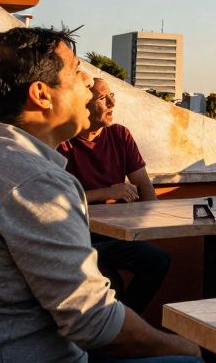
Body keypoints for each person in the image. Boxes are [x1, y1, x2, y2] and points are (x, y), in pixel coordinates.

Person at [0, 27, 200, 362]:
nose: (90, 84)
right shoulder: (32, 180)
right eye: (77, 72)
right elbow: (95, 326)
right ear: (42, 94)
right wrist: (188, 347)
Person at [58, 77, 170, 314]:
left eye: (112, 96)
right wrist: (106, 193)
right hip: (80, 235)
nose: (111, 103)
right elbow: (56, 200)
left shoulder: (120, 135)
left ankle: (123, 324)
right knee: (117, 279)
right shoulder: (63, 143)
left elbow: (143, 184)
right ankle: (121, 328)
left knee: (157, 260)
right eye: (102, 98)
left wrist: (156, 224)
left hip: (121, 233)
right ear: (84, 104)